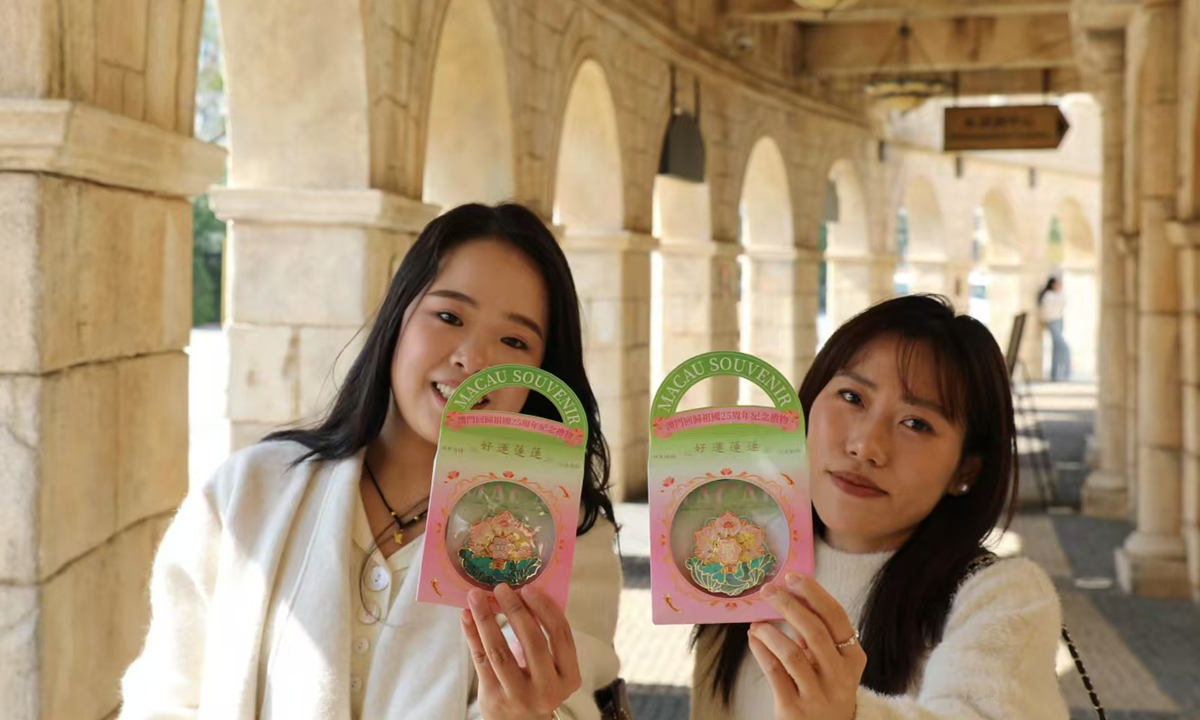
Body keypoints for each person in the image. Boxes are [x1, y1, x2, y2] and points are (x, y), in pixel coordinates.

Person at [119, 203, 622, 720]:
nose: (473, 358)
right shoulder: (246, 493)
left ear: (542, 373)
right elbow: (165, 697)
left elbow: (573, 704)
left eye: (514, 340)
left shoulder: (567, 542)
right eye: (449, 316)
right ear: (398, 316)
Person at [692, 294, 1068, 720]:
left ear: (966, 470)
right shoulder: (741, 554)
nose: (866, 446)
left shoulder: (1002, 599)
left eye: (916, 423)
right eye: (852, 397)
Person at [1039, 276, 1071, 381]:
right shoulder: (1049, 296)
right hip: (1052, 322)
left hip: (1059, 321)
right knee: (1064, 348)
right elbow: (1046, 311)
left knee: (1057, 349)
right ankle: (1064, 373)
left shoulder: (1058, 295)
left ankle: (1055, 374)